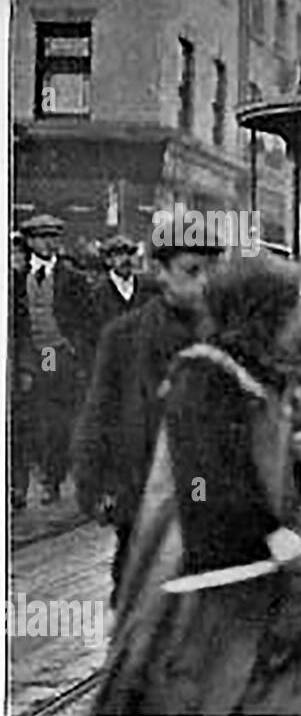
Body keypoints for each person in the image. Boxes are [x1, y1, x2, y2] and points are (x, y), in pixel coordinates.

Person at [95, 253, 301, 716]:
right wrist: (274, 535)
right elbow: (206, 476)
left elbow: (279, 490)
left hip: (263, 591)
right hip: (207, 589)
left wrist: (299, 461)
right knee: (208, 698)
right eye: (297, 308)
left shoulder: (273, 380)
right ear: (265, 314)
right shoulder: (203, 376)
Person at [74, 221, 224, 611]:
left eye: (212, 270)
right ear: (161, 273)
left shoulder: (234, 339)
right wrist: (96, 486)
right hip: (141, 499)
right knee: (138, 611)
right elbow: (99, 413)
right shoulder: (123, 338)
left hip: (214, 509)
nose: (205, 282)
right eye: (192, 271)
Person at [11, 214, 93, 508]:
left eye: (53, 237)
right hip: (26, 358)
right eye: (41, 237)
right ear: (30, 242)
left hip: (58, 355)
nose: (48, 243)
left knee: (56, 421)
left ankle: (52, 480)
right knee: (24, 421)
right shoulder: (15, 279)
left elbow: (87, 323)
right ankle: (17, 487)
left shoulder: (73, 279)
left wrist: (76, 353)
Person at [88, 235, 153, 343]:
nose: (126, 259)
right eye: (119, 254)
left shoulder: (148, 287)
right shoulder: (97, 291)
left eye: (130, 253)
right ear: (108, 260)